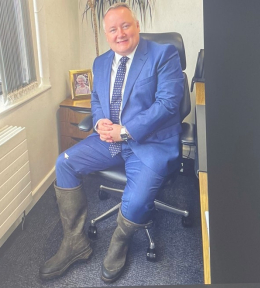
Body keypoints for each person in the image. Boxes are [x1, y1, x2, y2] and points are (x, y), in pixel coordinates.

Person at [39, 3, 184, 283]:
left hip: (150, 142)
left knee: (138, 199)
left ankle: (119, 242)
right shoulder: (101, 62)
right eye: (113, 29)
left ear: (137, 26)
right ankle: (74, 242)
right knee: (64, 164)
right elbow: (96, 98)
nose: (120, 34)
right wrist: (99, 122)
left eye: (125, 26)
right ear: (106, 34)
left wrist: (126, 131)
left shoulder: (163, 55)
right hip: (108, 139)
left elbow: (168, 104)